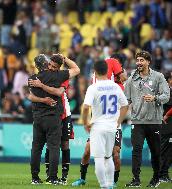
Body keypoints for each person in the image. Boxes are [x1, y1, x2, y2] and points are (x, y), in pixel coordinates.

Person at [72, 54, 128, 187]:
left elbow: (85, 107)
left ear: (95, 72)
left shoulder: (94, 87)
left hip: (98, 126)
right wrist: (118, 121)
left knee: (102, 158)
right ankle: (103, 183)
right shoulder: (115, 87)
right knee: (105, 156)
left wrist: (85, 123)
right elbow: (125, 105)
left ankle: (106, 184)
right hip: (112, 126)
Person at [29, 54, 80, 185]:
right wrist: (65, 59)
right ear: (46, 63)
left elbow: (30, 97)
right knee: (54, 148)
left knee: (36, 148)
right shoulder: (59, 75)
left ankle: (35, 178)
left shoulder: (32, 78)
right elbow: (76, 69)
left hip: (38, 118)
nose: (51, 66)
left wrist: (41, 94)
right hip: (52, 118)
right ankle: (52, 177)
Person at [125, 51, 170, 187]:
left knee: (156, 152)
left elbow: (166, 96)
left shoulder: (158, 77)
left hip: (154, 121)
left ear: (148, 62)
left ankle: (156, 178)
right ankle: (136, 179)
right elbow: (126, 99)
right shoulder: (131, 78)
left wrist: (155, 98)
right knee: (136, 150)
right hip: (137, 121)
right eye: (137, 60)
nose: (139, 62)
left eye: (142, 60)